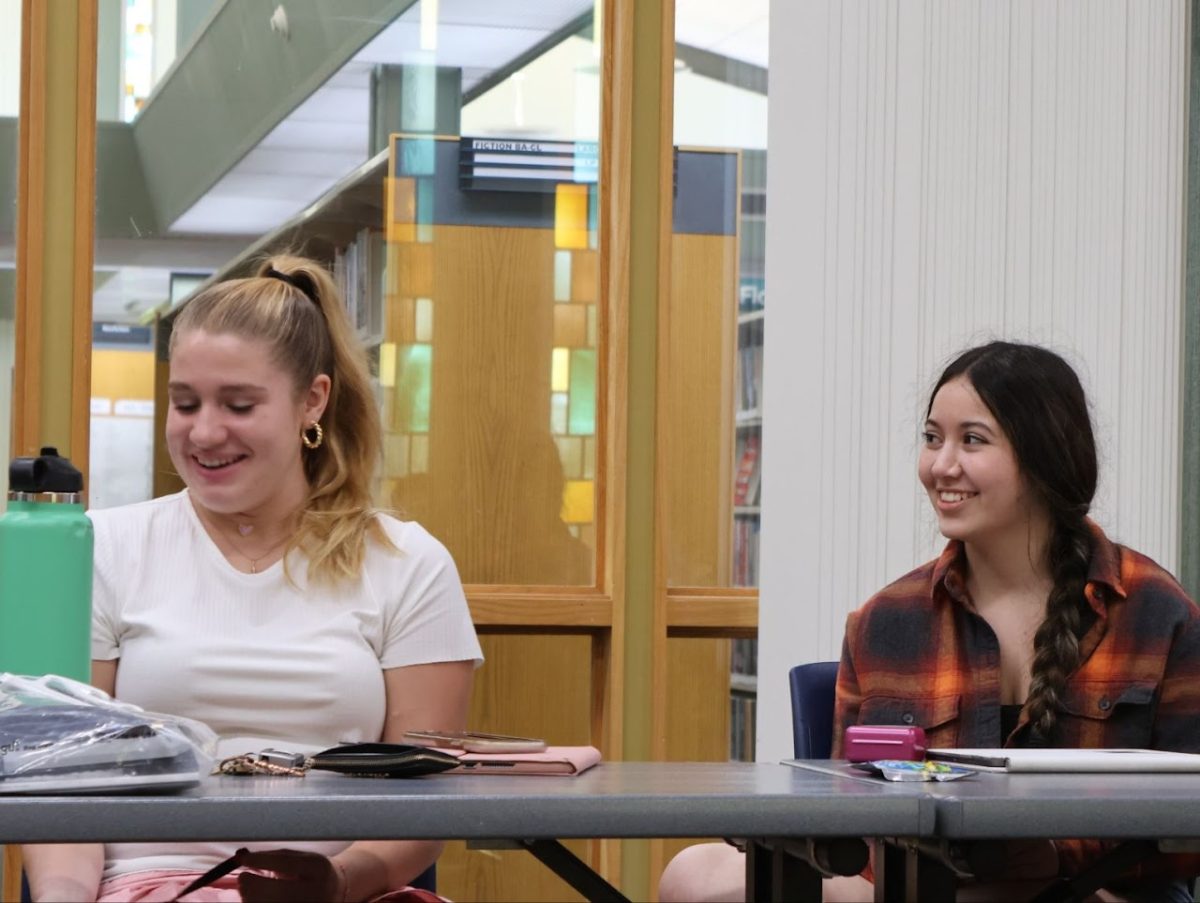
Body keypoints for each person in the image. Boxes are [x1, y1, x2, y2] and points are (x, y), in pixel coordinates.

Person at [659, 340, 1200, 902]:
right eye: (932, 438)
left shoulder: (1158, 613)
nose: (941, 466)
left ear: (1045, 456)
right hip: (922, 889)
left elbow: (1186, 835)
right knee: (694, 876)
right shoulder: (883, 623)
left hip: (1090, 894)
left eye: (972, 440)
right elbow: (849, 816)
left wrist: (1053, 854)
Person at [23, 255, 483, 903]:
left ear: (312, 400)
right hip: (147, 883)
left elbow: (422, 801)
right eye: (184, 403)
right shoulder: (105, 548)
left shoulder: (408, 562)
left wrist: (339, 880)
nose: (204, 432)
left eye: (239, 404)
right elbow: (63, 782)